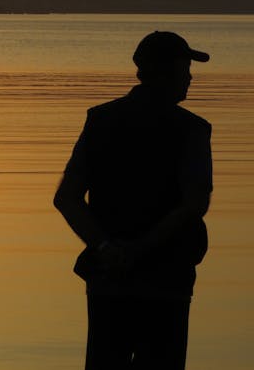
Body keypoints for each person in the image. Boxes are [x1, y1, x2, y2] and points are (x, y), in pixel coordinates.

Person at [53, 30, 213, 369]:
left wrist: (107, 248)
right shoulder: (191, 129)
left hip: (109, 282)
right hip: (166, 281)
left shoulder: (100, 120)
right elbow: (195, 204)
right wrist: (141, 250)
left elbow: (67, 199)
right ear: (164, 72)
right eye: (185, 68)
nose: (190, 78)